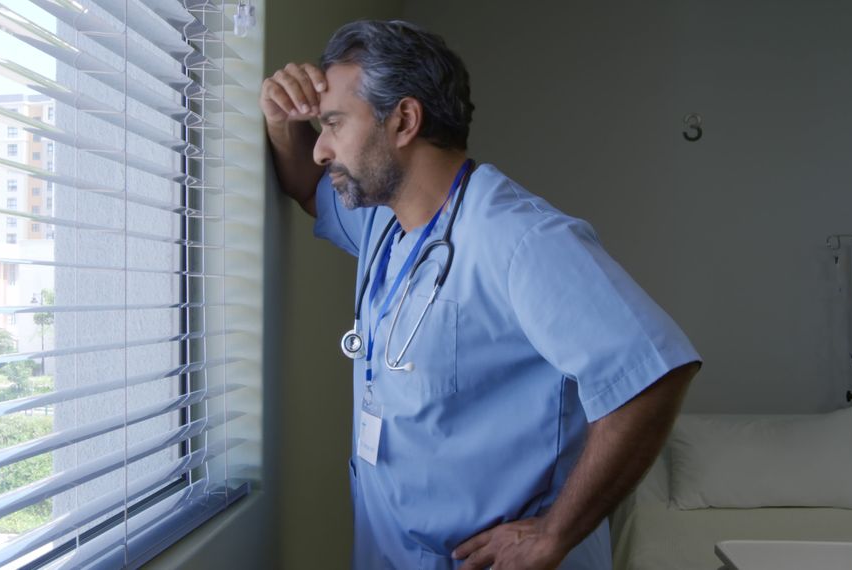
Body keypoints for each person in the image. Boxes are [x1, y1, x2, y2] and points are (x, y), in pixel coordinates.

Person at [260, 19, 701, 570]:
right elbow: (306, 185)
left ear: (403, 120)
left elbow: (653, 373)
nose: (322, 149)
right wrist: (282, 117)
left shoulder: (518, 238)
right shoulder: (383, 224)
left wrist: (552, 536)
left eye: (333, 124)